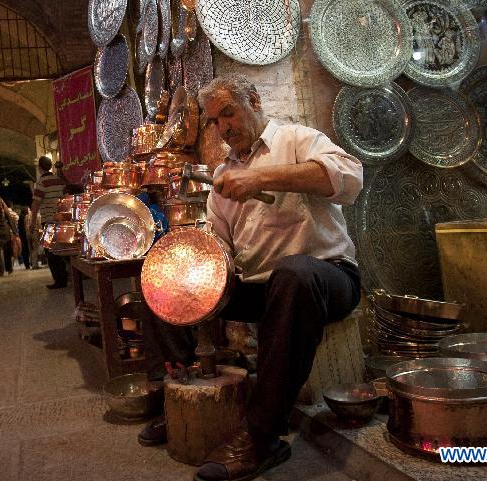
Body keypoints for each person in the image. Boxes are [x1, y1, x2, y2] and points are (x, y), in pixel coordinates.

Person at [138, 76, 363, 481]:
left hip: (327, 279)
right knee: (163, 278)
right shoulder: (223, 177)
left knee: (292, 273)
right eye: (215, 121)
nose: (224, 127)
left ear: (254, 101)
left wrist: (261, 178)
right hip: (261, 288)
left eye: (230, 112)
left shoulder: (296, 139)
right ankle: (176, 394)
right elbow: (222, 246)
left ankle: (261, 436)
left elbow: (349, 178)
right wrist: (199, 267)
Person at [29, 156, 67, 288]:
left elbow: (35, 203)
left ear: (39, 168)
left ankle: (59, 280)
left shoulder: (41, 182)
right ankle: (66, 277)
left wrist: (32, 222)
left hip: (49, 222)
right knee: (62, 249)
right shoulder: (59, 181)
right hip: (61, 221)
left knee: (50, 251)